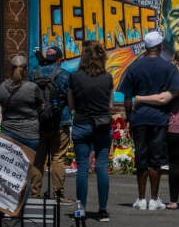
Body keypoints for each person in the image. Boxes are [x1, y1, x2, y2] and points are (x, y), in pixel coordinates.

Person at [118, 31, 179, 211]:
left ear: (146, 47)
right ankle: (154, 199)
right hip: (159, 119)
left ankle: (141, 199)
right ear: (160, 47)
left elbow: (127, 97)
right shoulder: (168, 68)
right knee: (155, 159)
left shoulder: (134, 67)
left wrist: (128, 118)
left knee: (141, 158)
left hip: (139, 118)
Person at [134, 51, 179, 210]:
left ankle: (173, 201)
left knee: (175, 163)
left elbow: (163, 99)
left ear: (175, 62)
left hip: (177, 123)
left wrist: (139, 99)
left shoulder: (176, 81)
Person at [68, 41, 114, 222]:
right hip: (102, 125)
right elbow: (110, 106)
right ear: (101, 57)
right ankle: (102, 210)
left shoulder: (74, 77)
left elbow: (71, 105)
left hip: (81, 124)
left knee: (82, 168)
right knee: (102, 167)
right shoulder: (108, 78)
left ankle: (81, 210)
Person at [30, 46, 73, 204]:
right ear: (59, 59)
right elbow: (71, 98)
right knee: (57, 158)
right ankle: (58, 195)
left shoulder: (33, 74)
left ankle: (34, 194)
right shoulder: (64, 75)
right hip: (60, 121)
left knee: (38, 159)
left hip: (39, 122)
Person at [0, 55, 43, 151]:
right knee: (29, 165)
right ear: (26, 70)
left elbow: (2, 104)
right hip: (30, 135)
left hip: (7, 132)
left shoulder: (2, 86)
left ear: (11, 69)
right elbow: (41, 106)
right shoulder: (33, 87)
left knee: (9, 164)